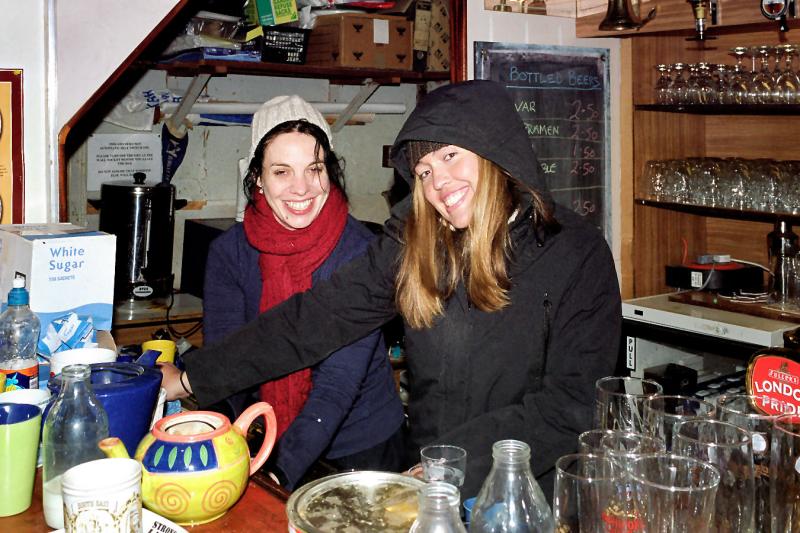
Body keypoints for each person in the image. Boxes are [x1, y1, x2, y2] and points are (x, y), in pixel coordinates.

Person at [162, 81, 621, 498]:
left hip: (526, 492)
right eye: (422, 170)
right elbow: (313, 321)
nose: (438, 181)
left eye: (450, 155)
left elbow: (571, 407)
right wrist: (191, 377)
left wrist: (454, 465)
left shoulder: (575, 254)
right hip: (425, 479)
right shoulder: (415, 243)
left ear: (495, 149)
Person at [198, 95, 405, 489]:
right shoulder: (229, 253)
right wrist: (229, 448)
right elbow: (227, 363)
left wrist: (278, 476)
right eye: (281, 171)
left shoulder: (362, 251)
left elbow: (338, 385)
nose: (302, 188)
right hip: (265, 439)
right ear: (257, 176)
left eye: (314, 168)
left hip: (361, 449)